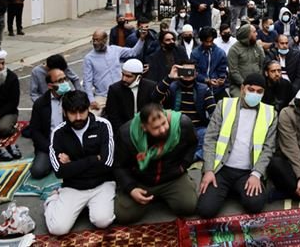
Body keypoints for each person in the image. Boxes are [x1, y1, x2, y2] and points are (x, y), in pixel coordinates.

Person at [198, 73, 278, 218]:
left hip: (248, 172)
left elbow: (268, 148)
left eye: (259, 92)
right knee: (205, 210)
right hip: (221, 169)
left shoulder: (270, 113)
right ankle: (228, 190)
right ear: (242, 89)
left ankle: (235, 190)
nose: (254, 94)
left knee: (255, 205)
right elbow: (210, 139)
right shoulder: (224, 105)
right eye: (251, 89)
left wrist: (256, 174)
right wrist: (208, 170)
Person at [44, 91, 116, 236]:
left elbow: (107, 164)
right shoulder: (58, 133)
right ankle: (52, 200)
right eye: (72, 113)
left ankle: (85, 207)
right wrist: (93, 159)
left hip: (102, 184)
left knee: (103, 221)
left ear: (88, 108)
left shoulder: (103, 125)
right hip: (73, 187)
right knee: (57, 229)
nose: (78, 117)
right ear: (64, 112)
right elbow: (59, 171)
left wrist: (72, 164)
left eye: (82, 112)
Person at [114, 103, 198, 224]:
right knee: (123, 216)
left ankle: (180, 187)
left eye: (164, 123)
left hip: (172, 177)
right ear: (144, 127)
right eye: (156, 127)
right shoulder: (126, 134)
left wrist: (182, 166)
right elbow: (119, 166)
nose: (163, 129)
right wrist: (131, 188)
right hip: (142, 181)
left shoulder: (182, 124)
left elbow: (192, 144)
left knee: (189, 206)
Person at [154, 59, 216, 162]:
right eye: (184, 71)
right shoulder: (172, 87)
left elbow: (213, 112)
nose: (188, 74)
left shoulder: (204, 89)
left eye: (190, 71)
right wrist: (169, 78)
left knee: (207, 135)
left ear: (196, 74)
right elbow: (155, 98)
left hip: (198, 129)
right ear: (179, 72)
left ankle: (191, 157)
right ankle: (189, 157)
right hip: (176, 128)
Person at [83, 30, 144, 115]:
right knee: (92, 116)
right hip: (103, 96)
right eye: (93, 40)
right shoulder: (89, 58)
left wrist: (141, 39)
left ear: (105, 39)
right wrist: (91, 100)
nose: (95, 43)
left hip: (121, 92)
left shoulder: (115, 50)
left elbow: (133, 52)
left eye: (97, 40)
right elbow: (87, 81)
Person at [30, 68, 74, 179]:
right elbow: (35, 131)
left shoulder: (72, 99)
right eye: (60, 81)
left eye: (65, 79)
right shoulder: (40, 104)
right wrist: (51, 149)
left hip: (71, 142)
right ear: (50, 86)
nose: (64, 83)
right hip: (49, 145)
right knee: (37, 171)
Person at [104, 59, 157, 133]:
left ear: (139, 77)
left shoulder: (151, 87)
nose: (124, 79)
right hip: (124, 131)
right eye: (123, 74)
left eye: (128, 76)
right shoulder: (114, 89)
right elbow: (113, 116)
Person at [227, 23, 265, 98]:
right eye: (254, 32)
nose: (257, 34)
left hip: (257, 85)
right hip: (239, 86)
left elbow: (261, 65)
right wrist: (244, 85)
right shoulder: (234, 50)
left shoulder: (257, 47)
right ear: (247, 35)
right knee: (241, 101)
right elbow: (233, 71)